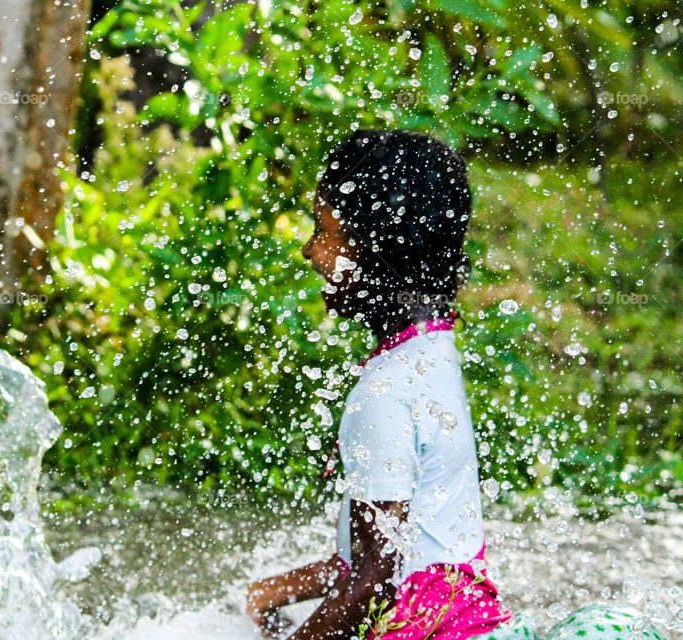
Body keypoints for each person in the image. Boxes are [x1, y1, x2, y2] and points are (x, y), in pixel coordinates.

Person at [245, 130, 666, 640]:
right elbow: (412, 558)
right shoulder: (434, 352)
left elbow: (373, 586)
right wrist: (277, 591)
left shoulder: (380, 394)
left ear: (378, 248)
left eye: (325, 230)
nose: (311, 251)